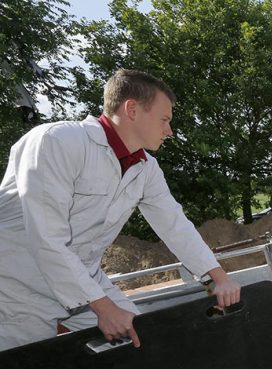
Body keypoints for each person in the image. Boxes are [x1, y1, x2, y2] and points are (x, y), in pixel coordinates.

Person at [0, 69, 240, 352]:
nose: (169, 131)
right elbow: (46, 238)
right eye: (164, 120)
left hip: (85, 280)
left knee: (139, 344)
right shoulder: (56, 142)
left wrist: (218, 281)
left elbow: (175, 225)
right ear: (132, 109)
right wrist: (104, 309)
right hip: (16, 289)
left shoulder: (145, 168)